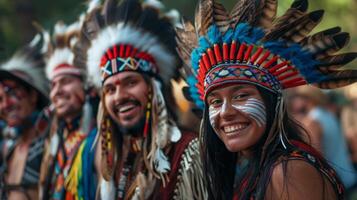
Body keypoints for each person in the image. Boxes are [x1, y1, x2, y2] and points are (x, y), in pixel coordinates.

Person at [176, 0, 357, 199]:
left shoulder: (288, 170)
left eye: (241, 96)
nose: (225, 112)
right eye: (216, 102)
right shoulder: (254, 168)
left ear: (272, 103)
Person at [74, 0, 205, 199]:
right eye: (110, 89)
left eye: (130, 82)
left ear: (155, 89)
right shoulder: (106, 159)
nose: (119, 96)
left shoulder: (188, 153)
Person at [39, 18, 99, 200]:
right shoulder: (54, 141)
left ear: (87, 86)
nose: (57, 91)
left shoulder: (102, 139)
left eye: (65, 81)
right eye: (54, 84)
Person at [0, 32, 50, 199]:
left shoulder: (51, 144)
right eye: (0, 99)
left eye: (13, 93)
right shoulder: (8, 147)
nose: (5, 104)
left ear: (33, 96)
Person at [288, 86, 357, 192]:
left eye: (297, 97)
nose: (294, 101)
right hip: (349, 175)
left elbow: (318, 158)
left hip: (339, 182)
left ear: (306, 98)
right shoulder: (328, 114)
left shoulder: (312, 122)